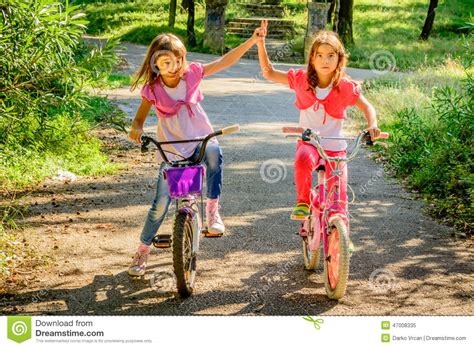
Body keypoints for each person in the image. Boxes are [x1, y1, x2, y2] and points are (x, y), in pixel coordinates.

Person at [127, 30, 260, 276]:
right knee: (160, 204)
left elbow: (225, 61)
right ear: (155, 64)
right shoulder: (153, 89)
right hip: (171, 148)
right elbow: (138, 121)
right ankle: (142, 250)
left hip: (199, 139)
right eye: (166, 62)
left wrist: (252, 41)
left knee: (214, 150)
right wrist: (135, 130)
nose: (174, 66)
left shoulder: (192, 75)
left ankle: (212, 210)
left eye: (179, 60)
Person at [255, 20, 381, 221]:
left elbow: (367, 107)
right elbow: (269, 72)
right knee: (303, 159)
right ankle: (303, 202)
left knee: (339, 198)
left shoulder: (345, 87)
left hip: (336, 147)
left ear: (339, 59)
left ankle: (340, 239)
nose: (325, 61)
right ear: (312, 59)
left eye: (331, 56)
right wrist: (261, 43)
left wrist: (372, 124)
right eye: (320, 55)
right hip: (310, 143)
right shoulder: (301, 80)